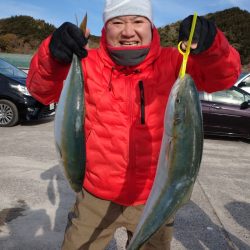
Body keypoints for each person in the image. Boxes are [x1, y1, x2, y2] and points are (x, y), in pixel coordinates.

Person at [27, 0, 241, 249]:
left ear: (151, 26)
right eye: (118, 22)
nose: (128, 31)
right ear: (106, 27)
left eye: (137, 21)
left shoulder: (175, 62)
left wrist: (212, 45)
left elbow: (223, 76)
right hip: (95, 196)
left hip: (154, 197)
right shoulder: (87, 63)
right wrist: (52, 57)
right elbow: (41, 90)